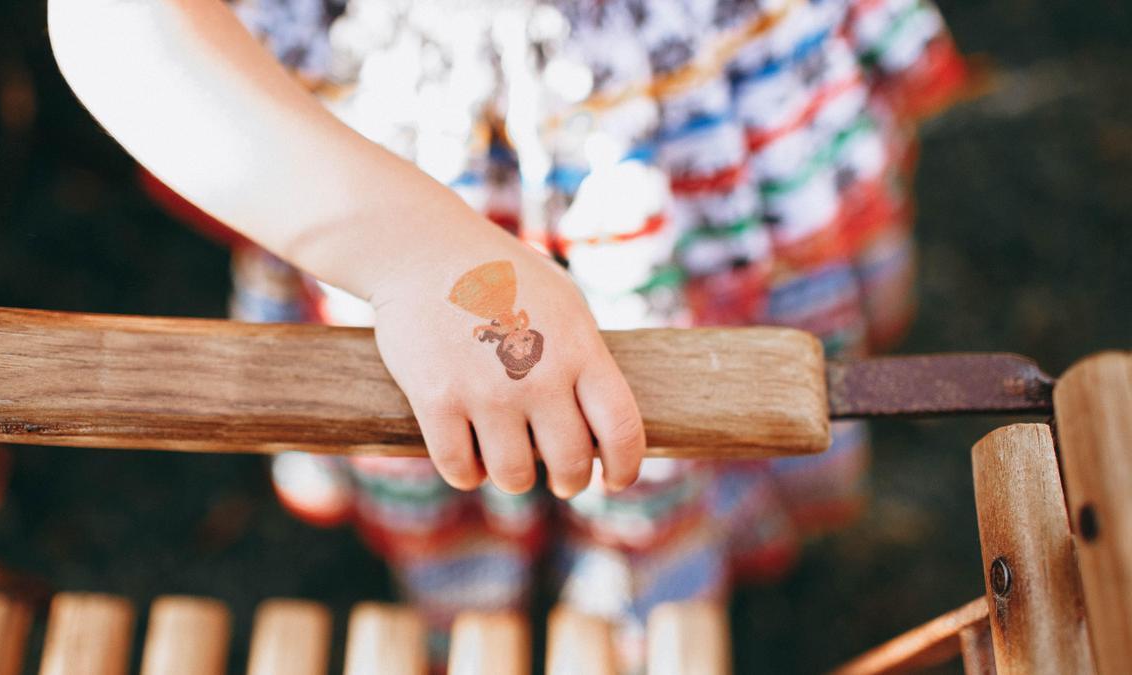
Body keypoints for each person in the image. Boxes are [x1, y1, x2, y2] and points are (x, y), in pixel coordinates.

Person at [48, 0, 969, 668]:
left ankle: (685, 551)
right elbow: (121, 22)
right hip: (403, 141)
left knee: (709, 361)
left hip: (716, 89)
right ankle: (489, 571)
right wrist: (409, 250)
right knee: (465, 407)